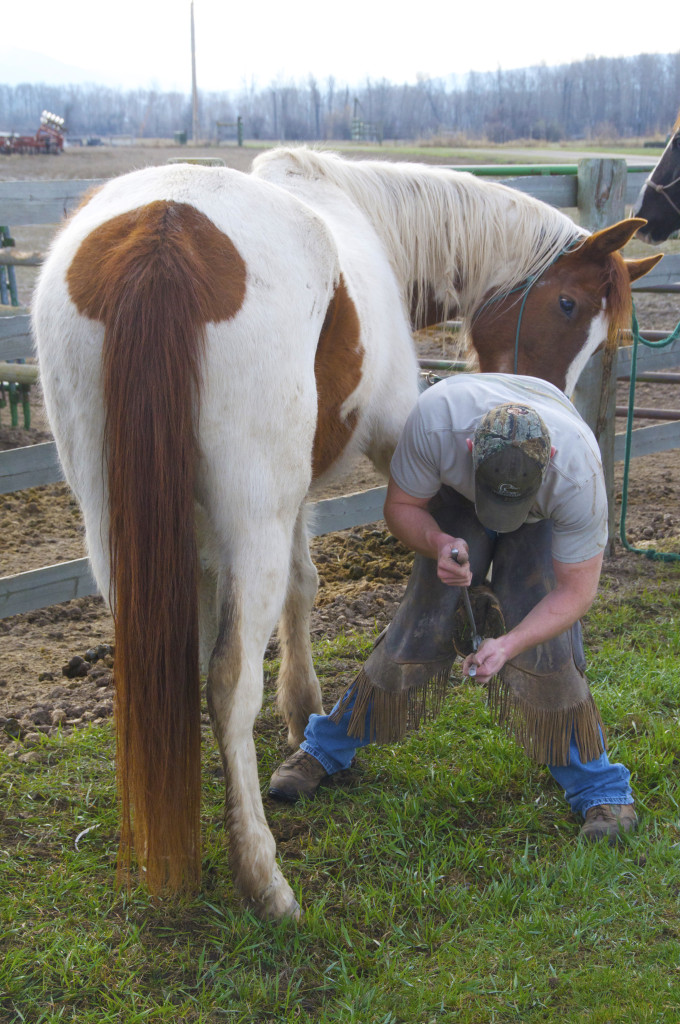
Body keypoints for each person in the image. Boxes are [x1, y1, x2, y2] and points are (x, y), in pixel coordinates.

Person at [270, 372, 637, 843]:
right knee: (419, 624)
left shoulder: (577, 474)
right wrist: (439, 543)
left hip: (544, 511)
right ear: (469, 451)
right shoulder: (437, 423)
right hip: (459, 496)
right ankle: (324, 747)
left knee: (545, 641)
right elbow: (401, 505)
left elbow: (575, 593)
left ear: (551, 459)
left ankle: (600, 788)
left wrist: (508, 644)